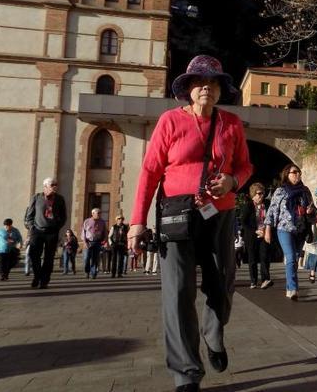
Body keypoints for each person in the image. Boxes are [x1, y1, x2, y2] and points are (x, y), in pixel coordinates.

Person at [128, 54, 252, 392]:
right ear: (188, 89)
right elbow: (150, 172)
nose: (206, 89)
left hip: (220, 214)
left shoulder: (231, 124)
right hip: (176, 216)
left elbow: (245, 167)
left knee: (223, 283)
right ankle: (186, 372)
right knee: (178, 292)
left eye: (212, 84)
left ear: (219, 90)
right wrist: (137, 221)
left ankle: (213, 332)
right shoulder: (170, 121)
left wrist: (232, 182)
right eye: (199, 83)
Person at [264, 163, 314, 301]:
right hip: (284, 229)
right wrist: (267, 229)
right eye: (294, 172)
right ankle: (293, 289)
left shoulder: (305, 191)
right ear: (287, 174)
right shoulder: (281, 191)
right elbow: (272, 211)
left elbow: (312, 210)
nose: (297, 174)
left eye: (299, 172)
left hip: (301, 230)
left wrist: (310, 211)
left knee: (295, 260)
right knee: (291, 258)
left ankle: (289, 287)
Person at [24, 177, 68, 289]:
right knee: (34, 256)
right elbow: (29, 215)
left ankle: (44, 280)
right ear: (45, 187)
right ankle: (37, 276)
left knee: (49, 258)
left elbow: (63, 216)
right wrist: (31, 228)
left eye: (56, 184)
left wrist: (57, 226)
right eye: (52, 184)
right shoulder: (36, 197)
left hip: (52, 232)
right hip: (37, 231)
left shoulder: (59, 199)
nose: (55, 186)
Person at [240, 183, 273, 289]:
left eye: (263, 193)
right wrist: (255, 231)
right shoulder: (248, 206)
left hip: (265, 234)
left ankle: (265, 280)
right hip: (252, 236)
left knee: (264, 257)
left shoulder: (268, 204)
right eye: (259, 193)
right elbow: (244, 222)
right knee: (252, 259)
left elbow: (272, 218)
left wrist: (266, 230)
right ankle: (253, 281)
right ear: (253, 195)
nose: (261, 195)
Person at [81, 208, 107, 279]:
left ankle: (93, 273)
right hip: (88, 242)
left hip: (97, 242)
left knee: (95, 258)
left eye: (100, 213)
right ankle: (87, 272)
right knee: (86, 258)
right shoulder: (87, 221)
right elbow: (83, 233)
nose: (99, 214)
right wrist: (84, 242)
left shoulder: (102, 222)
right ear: (92, 214)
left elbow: (105, 232)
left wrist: (105, 240)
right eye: (98, 213)